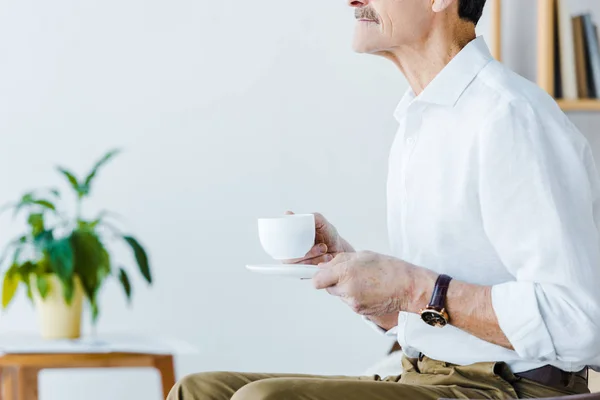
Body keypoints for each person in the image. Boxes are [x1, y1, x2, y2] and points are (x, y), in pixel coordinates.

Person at [169, 0, 600, 398]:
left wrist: (413, 289)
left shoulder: (509, 116)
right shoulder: (422, 116)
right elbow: (441, 314)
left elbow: (580, 322)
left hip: (508, 387)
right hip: (423, 371)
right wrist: (368, 283)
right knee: (199, 391)